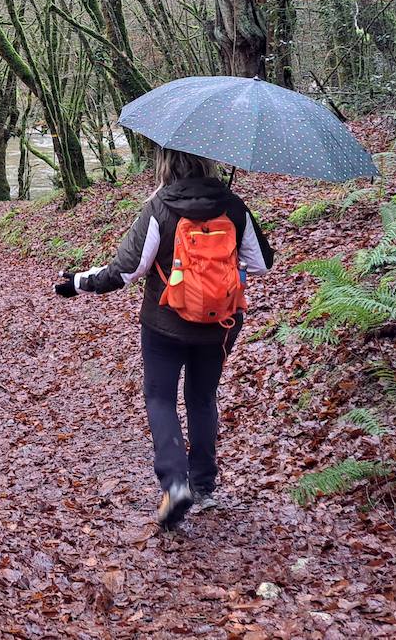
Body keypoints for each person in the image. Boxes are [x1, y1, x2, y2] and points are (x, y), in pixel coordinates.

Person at [54, 147, 274, 528]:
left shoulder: (160, 208)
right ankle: (203, 486)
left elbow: (125, 271)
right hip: (219, 325)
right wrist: (221, 267)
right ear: (208, 161)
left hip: (164, 323)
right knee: (202, 398)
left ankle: (175, 484)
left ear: (166, 162)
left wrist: (78, 283)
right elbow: (261, 265)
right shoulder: (234, 206)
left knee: (160, 399)